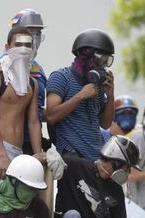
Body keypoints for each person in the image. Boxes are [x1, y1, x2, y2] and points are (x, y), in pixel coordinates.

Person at [0, 27, 42, 198]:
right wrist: (2, 155)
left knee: (15, 205)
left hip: (18, 152)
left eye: (28, 45)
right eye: (18, 44)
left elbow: (33, 122)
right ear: (7, 47)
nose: (23, 49)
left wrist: (37, 154)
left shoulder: (32, 84)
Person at [45, 28, 115, 162]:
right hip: (73, 158)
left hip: (97, 159)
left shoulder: (97, 86)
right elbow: (50, 116)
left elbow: (105, 124)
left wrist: (110, 96)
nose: (104, 65)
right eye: (101, 60)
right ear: (84, 56)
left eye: (107, 60)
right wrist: (80, 96)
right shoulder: (61, 77)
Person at [0, 9, 48, 154]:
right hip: (2, 144)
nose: (34, 38)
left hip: (30, 143)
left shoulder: (38, 71)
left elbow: (37, 115)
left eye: (38, 34)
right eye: (30, 32)